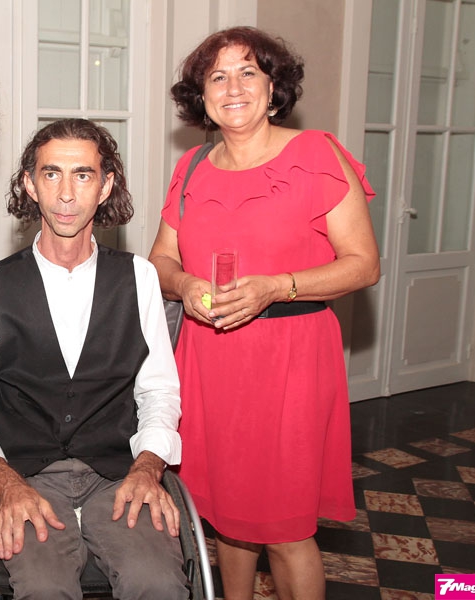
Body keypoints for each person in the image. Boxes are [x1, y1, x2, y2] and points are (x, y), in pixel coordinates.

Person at [148, 27, 380, 600]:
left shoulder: (316, 154)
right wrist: (186, 284)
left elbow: (363, 265)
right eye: (217, 77)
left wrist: (276, 287)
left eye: (248, 73)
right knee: (228, 517)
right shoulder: (192, 167)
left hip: (290, 362)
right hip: (209, 360)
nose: (233, 88)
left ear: (274, 87)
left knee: (285, 528)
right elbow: (160, 260)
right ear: (201, 95)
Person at [0, 119, 189, 600]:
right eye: (51, 174)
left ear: (106, 186)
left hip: (117, 474)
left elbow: (159, 392)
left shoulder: (139, 278)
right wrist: (7, 486)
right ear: (30, 184)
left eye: (83, 175)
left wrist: (148, 467)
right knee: (43, 589)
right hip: (25, 476)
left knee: (157, 583)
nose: (67, 194)